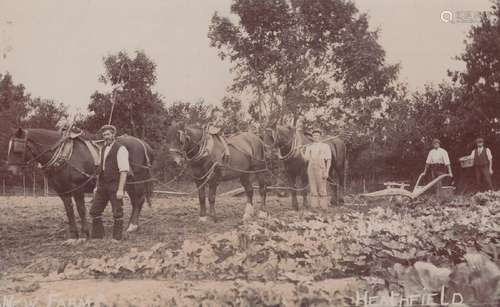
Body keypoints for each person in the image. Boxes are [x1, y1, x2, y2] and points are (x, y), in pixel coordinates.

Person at [90, 124, 130, 240]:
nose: (105, 136)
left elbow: (124, 171)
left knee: (117, 212)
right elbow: (100, 169)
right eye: (104, 134)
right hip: (102, 185)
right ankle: (98, 236)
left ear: (113, 135)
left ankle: (117, 238)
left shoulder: (120, 149)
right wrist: (97, 186)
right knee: (94, 211)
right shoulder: (102, 149)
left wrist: (121, 189)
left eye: (108, 134)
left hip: (115, 185)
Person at [303, 126, 332, 209]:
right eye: (314, 135)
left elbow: (329, 160)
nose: (315, 136)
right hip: (311, 168)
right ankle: (314, 206)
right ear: (312, 137)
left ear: (320, 136)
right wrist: (302, 151)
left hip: (321, 167)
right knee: (313, 188)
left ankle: (323, 207)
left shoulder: (325, 146)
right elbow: (306, 159)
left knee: (322, 188)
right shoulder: (309, 146)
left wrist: (327, 171)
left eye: (317, 135)